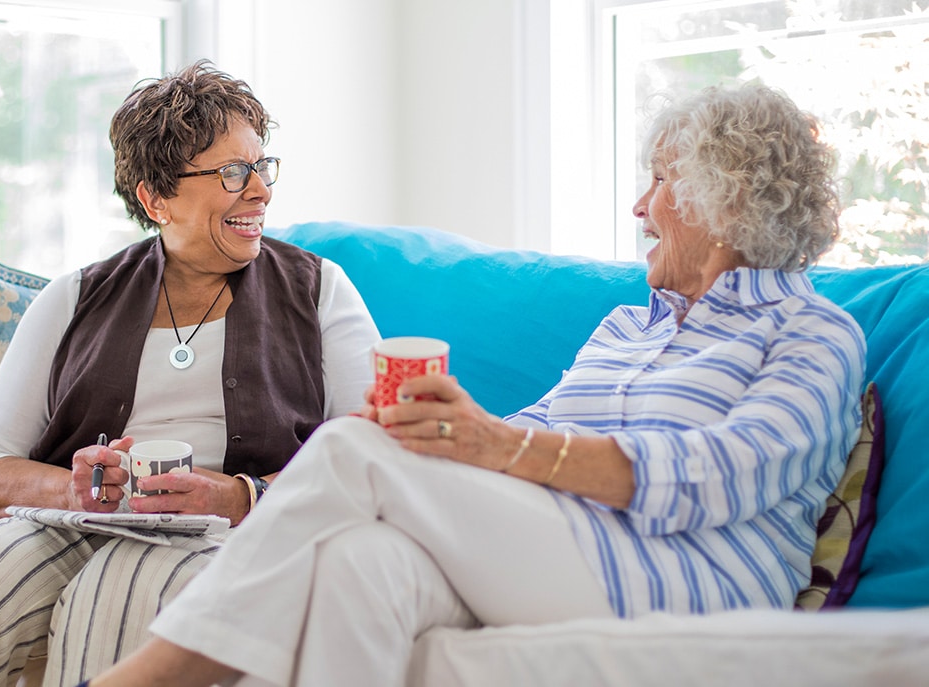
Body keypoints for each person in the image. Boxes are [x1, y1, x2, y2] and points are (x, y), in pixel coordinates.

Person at [81, 83, 867, 687]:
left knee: (351, 447)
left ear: (724, 197)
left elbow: (715, 475)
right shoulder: (630, 326)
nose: (639, 206)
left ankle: (143, 679)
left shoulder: (813, 333)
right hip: (565, 549)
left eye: (660, 180)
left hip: (686, 581)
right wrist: (442, 429)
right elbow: (523, 433)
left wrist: (488, 445)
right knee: (362, 559)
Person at [0, 60, 380, 687]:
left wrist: (241, 495)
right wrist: (73, 491)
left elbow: (370, 452)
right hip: (74, 523)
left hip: (228, 532)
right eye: (232, 172)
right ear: (155, 199)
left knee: (119, 591)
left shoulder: (318, 290)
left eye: (262, 166)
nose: (260, 191)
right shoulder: (73, 297)